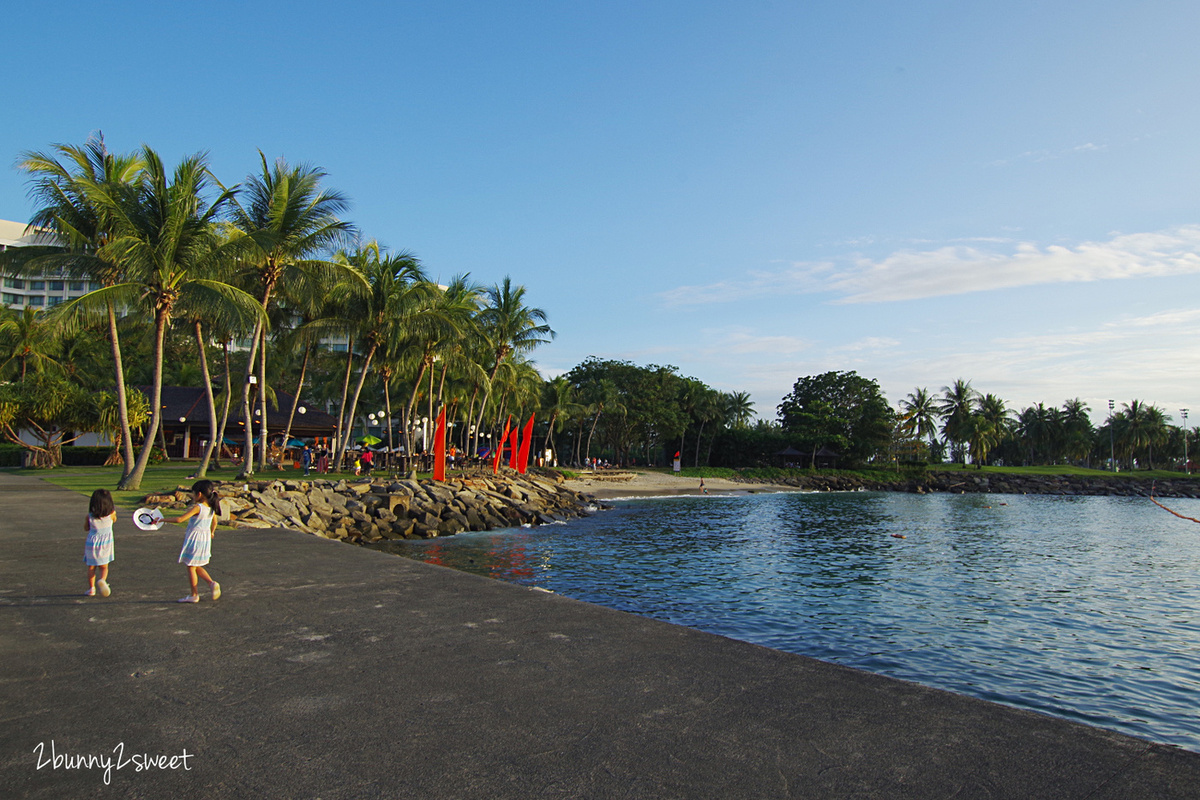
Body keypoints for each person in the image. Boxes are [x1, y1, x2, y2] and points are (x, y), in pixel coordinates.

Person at [174, 480, 222, 604]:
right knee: (195, 564)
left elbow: (180, 519)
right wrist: (211, 532)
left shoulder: (198, 507)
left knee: (190, 566)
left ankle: (194, 594)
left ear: (199, 494)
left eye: (194, 494)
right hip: (204, 539)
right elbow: (215, 522)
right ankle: (211, 583)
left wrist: (162, 519)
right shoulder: (210, 507)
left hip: (195, 539)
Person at [83, 489, 117, 597]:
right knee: (104, 566)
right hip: (106, 543)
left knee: (91, 567)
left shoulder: (90, 516)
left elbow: (86, 528)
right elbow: (114, 520)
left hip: (92, 543)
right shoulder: (111, 514)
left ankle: (91, 588)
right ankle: (102, 580)